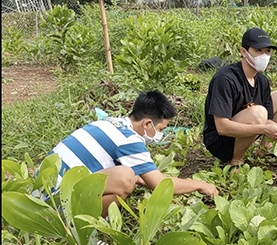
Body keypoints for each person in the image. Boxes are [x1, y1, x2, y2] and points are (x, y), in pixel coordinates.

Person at [42, 91, 219, 217]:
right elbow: (160, 185)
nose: (160, 135)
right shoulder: (130, 140)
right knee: (125, 178)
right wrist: (199, 185)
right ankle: (79, 233)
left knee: (129, 174)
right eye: (160, 129)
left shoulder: (111, 122)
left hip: (42, 188)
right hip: (54, 204)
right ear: (147, 123)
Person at [203, 27, 277, 166]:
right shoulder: (225, 79)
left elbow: (268, 120)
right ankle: (235, 160)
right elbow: (222, 127)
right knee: (259, 113)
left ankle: (264, 148)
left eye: (267, 51)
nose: (264, 56)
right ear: (244, 52)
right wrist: (264, 128)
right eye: (258, 50)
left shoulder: (262, 81)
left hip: (246, 128)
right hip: (221, 141)